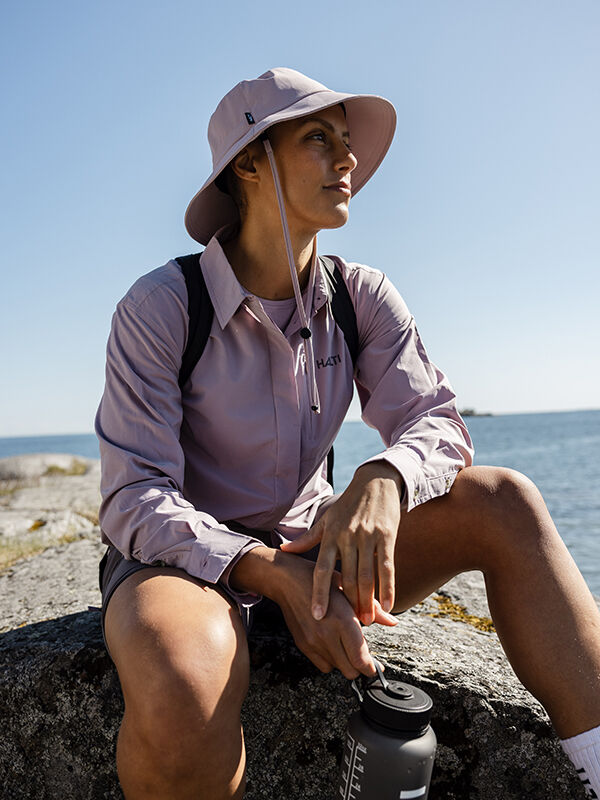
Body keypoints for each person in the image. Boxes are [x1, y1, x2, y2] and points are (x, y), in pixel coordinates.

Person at [95, 67, 600, 800]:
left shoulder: (360, 296)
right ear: (249, 161)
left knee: (505, 501)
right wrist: (265, 569)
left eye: (348, 142)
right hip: (186, 570)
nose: (349, 159)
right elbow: (134, 497)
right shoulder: (162, 306)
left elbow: (437, 421)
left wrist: (384, 477)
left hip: (318, 556)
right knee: (183, 685)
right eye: (318, 139)